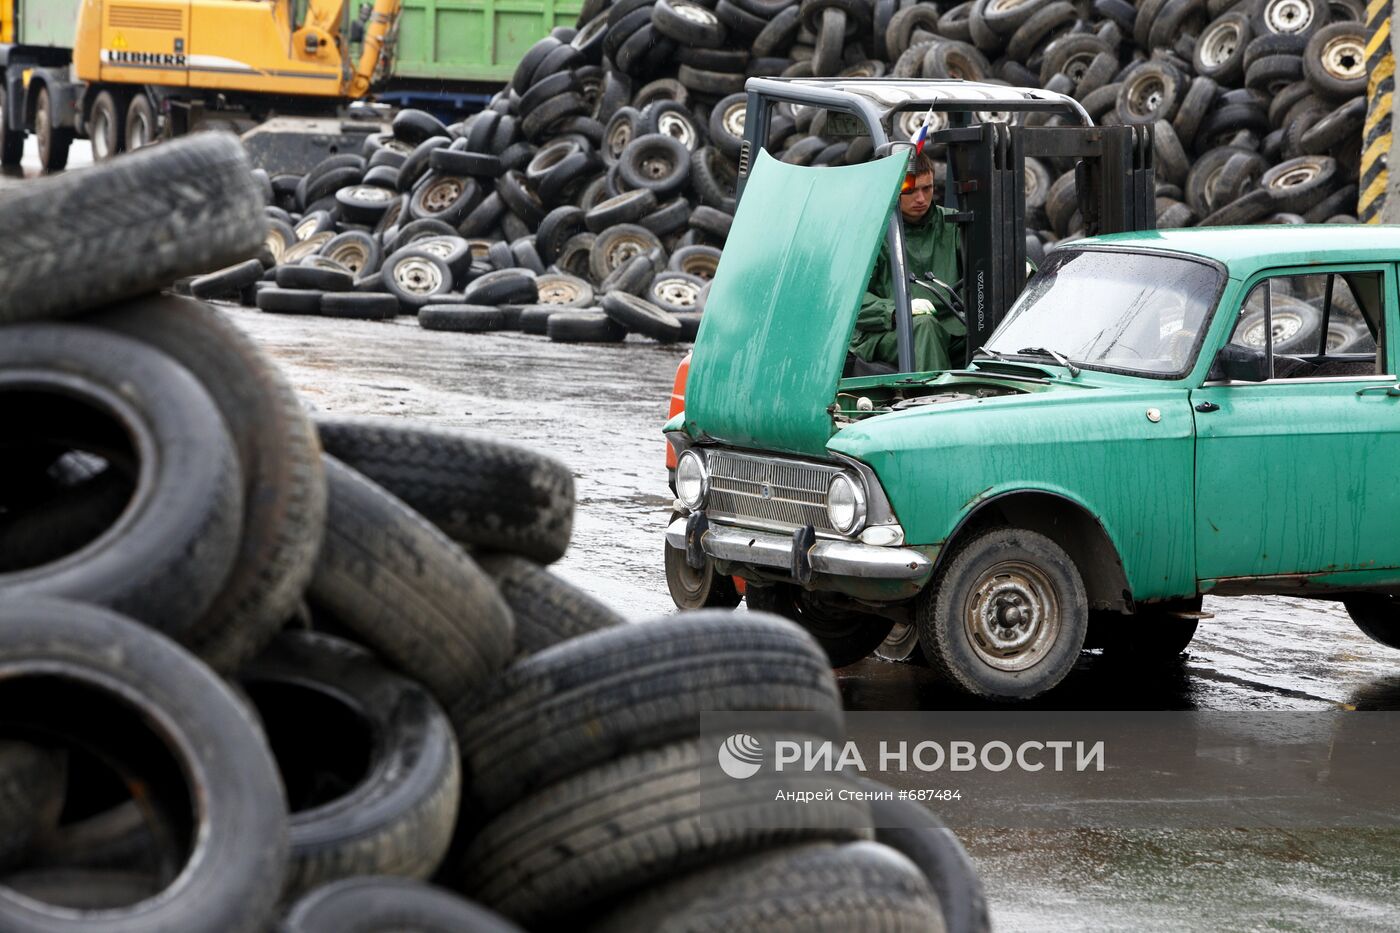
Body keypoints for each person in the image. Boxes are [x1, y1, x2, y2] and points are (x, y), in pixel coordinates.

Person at [849, 151, 964, 372]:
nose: (920, 198)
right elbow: (850, 299)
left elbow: (987, 251)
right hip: (884, 330)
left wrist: (1018, 265)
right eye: (909, 190)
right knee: (925, 327)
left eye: (927, 188)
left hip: (948, 326)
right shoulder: (872, 232)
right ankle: (934, 402)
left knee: (993, 330)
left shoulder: (951, 223)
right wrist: (897, 310)